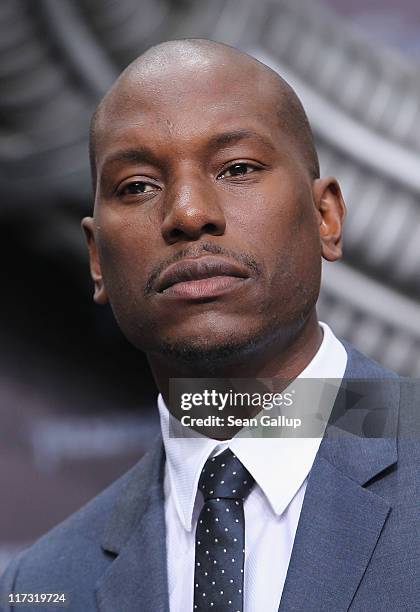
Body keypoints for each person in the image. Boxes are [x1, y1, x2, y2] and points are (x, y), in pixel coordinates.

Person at [1, 39, 419, 612]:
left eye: (238, 168)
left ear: (326, 217)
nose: (190, 213)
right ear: (97, 259)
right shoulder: (41, 586)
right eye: (138, 186)